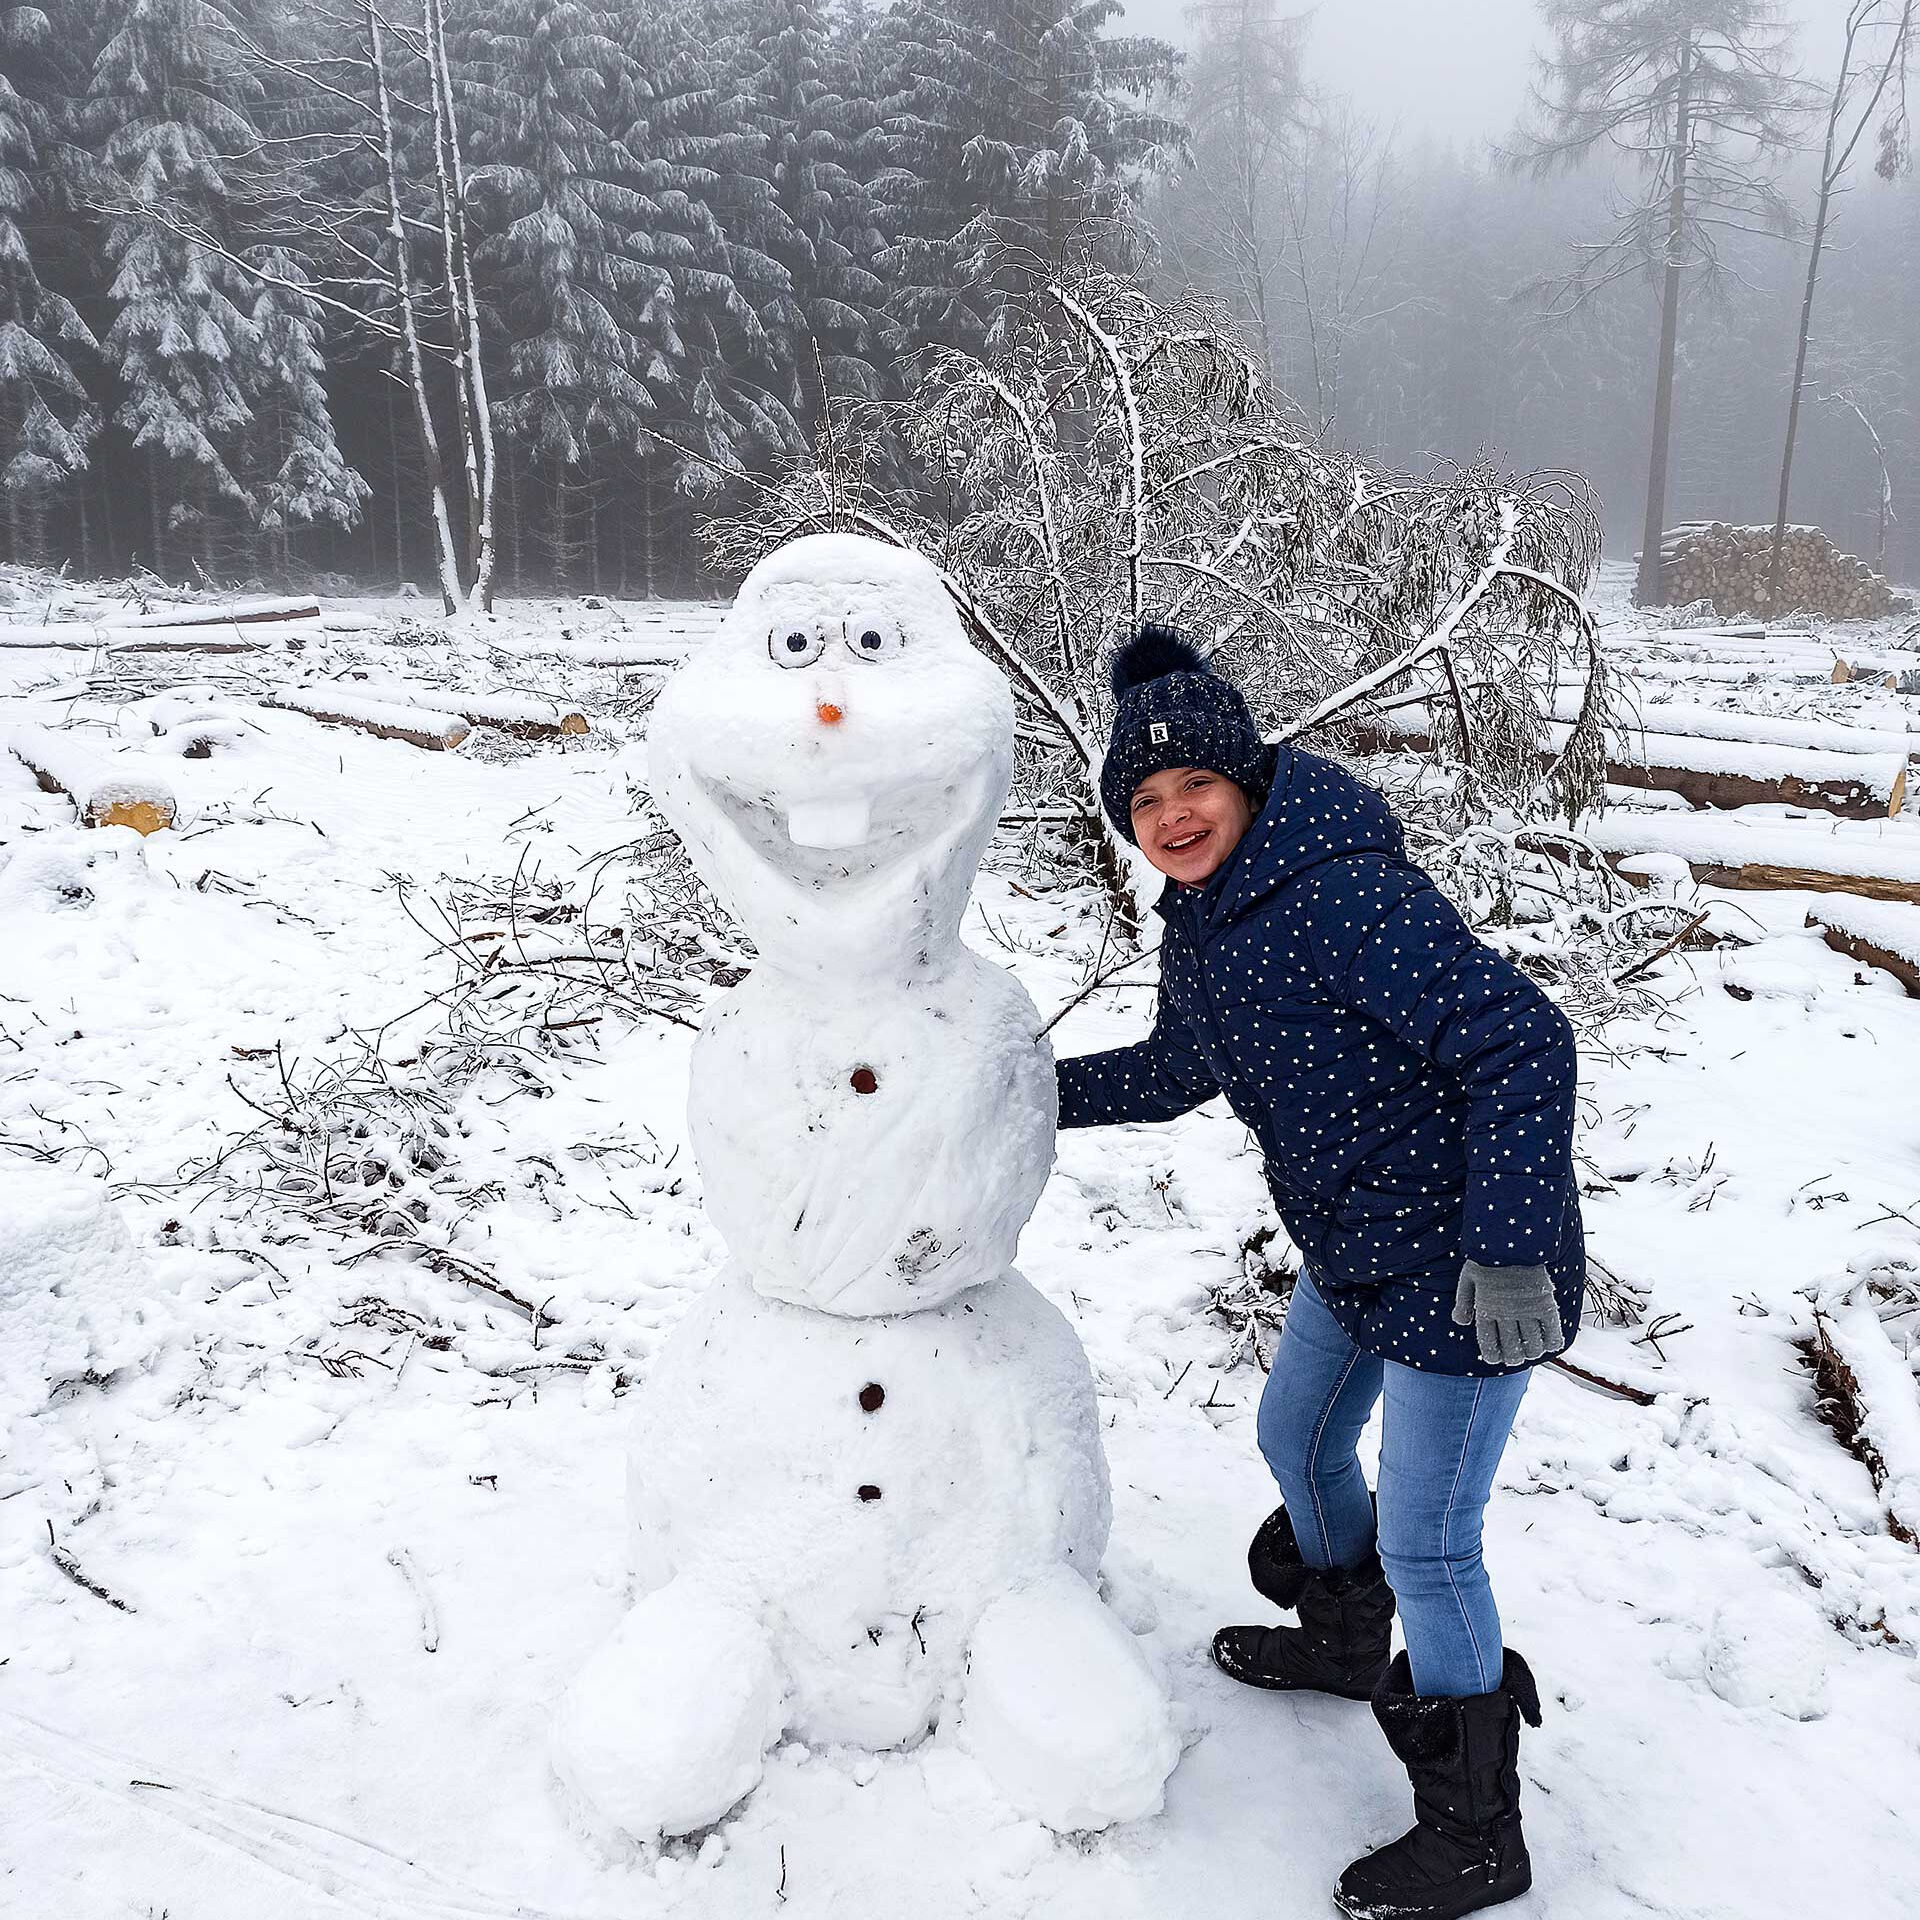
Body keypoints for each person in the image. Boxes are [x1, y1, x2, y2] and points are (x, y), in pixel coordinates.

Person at [1055, 626, 1584, 1920]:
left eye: (1195, 789)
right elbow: (1181, 1070)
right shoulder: (1207, 919)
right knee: (1294, 1435)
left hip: (1467, 1268)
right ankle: (1346, 1647)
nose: (1174, 817)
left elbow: (1526, 1038)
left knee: (1431, 1543)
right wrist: (1021, 1092)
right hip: (1354, 1251)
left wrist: (1510, 1246)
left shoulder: (1345, 893)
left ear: (1244, 780)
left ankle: (1476, 1837)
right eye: (1146, 801)